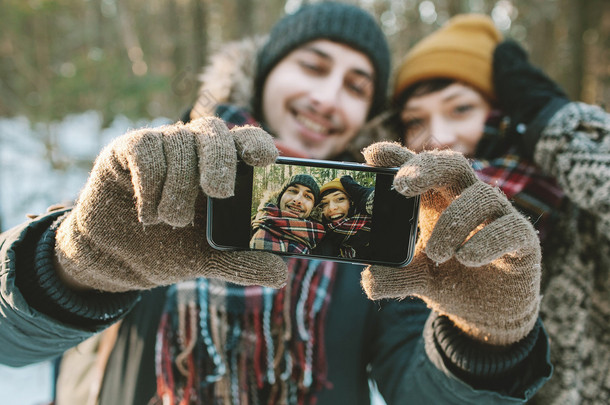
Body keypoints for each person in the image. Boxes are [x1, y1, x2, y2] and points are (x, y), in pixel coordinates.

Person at [0, 3, 553, 404]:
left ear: (368, 117)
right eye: (313, 67)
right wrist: (76, 264)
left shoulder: (386, 233)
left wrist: (488, 338)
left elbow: (425, 395)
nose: (327, 98)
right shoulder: (158, 179)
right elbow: (11, 345)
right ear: (266, 73)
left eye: (357, 86)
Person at [372, 13, 609, 404]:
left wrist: (557, 124)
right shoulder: (409, 239)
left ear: (508, 116)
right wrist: (483, 338)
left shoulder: (579, 210)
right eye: (416, 120)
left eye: (460, 109)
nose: (440, 136)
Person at [250, 174, 325, 254]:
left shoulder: (320, 242)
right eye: (293, 191)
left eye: (308, 196)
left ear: (313, 208)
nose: (297, 200)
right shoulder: (253, 224)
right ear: (280, 197)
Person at [315, 176, 373, 259]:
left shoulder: (376, 225)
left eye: (340, 199)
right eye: (324, 203)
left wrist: (371, 199)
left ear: (351, 202)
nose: (331, 208)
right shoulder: (319, 238)